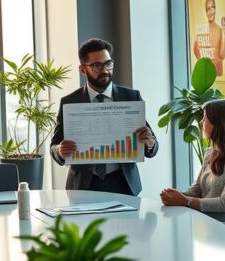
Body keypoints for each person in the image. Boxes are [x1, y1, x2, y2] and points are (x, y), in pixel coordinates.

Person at [50, 38, 158, 195]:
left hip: (123, 184)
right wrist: (59, 150)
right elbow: (54, 146)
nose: (105, 70)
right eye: (97, 65)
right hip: (83, 186)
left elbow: (152, 147)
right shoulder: (70, 102)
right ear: (83, 70)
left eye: (108, 63)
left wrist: (149, 142)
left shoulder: (131, 97)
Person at [160, 99, 225, 231]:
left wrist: (185, 201)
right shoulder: (212, 151)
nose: (201, 123)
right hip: (206, 225)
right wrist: (176, 196)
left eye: (205, 118)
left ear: (218, 123)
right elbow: (198, 188)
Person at [192, 0, 225, 76]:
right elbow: (195, 49)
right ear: (205, 11)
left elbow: (222, 55)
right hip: (206, 75)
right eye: (208, 9)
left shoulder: (219, 30)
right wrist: (203, 64)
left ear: (215, 9)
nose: (210, 11)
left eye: (212, 7)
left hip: (219, 75)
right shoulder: (202, 30)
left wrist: (224, 35)